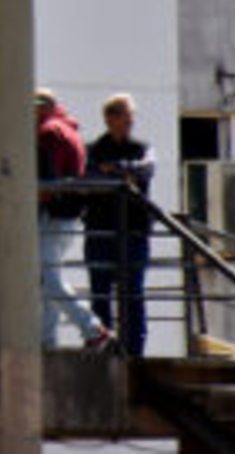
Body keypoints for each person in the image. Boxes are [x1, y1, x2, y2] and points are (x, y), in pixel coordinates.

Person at [35, 90, 115, 352]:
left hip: (54, 215)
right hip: (68, 216)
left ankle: (92, 328)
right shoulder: (69, 131)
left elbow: (50, 181)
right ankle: (46, 341)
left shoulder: (49, 132)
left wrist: (33, 197)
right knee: (48, 279)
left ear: (42, 107)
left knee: (47, 280)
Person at [83, 94, 155, 356]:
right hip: (101, 230)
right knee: (100, 292)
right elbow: (88, 176)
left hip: (134, 231)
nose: (131, 122)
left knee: (132, 293)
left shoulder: (142, 148)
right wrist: (124, 173)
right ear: (110, 119)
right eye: (125, 116)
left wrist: (114, 169)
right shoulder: (93, 150)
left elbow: (146, 169)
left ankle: (135, 351)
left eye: (131, 116)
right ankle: (104, 347)